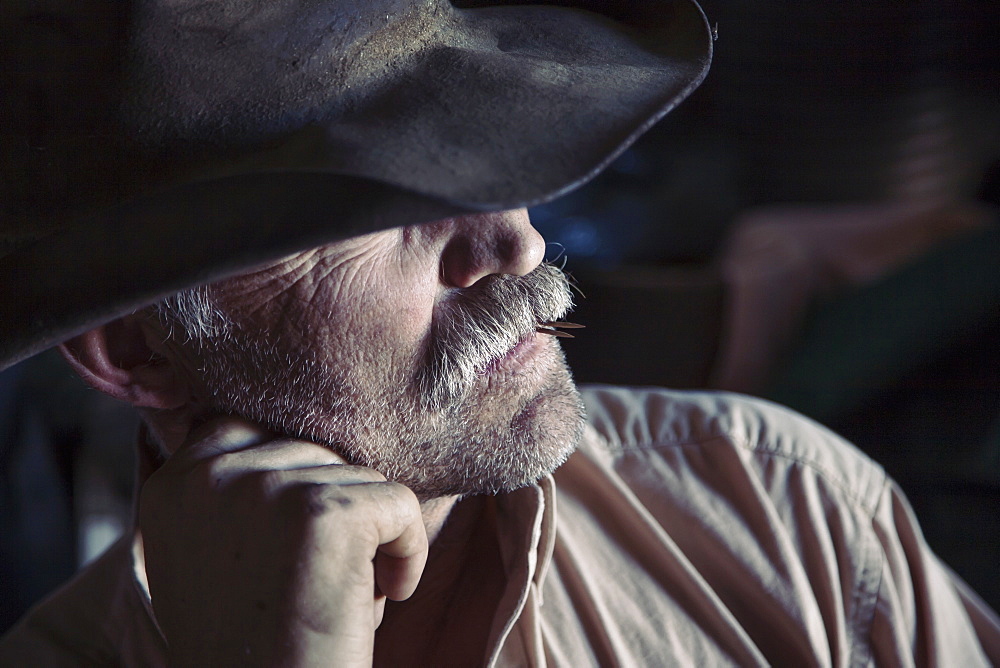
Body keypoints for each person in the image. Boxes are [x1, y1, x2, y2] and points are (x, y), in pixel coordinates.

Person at [1, 1, 998, 665]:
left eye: (476, 155)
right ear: (134, 350)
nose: (515, 244)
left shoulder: (784, 512)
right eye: (366, 215)